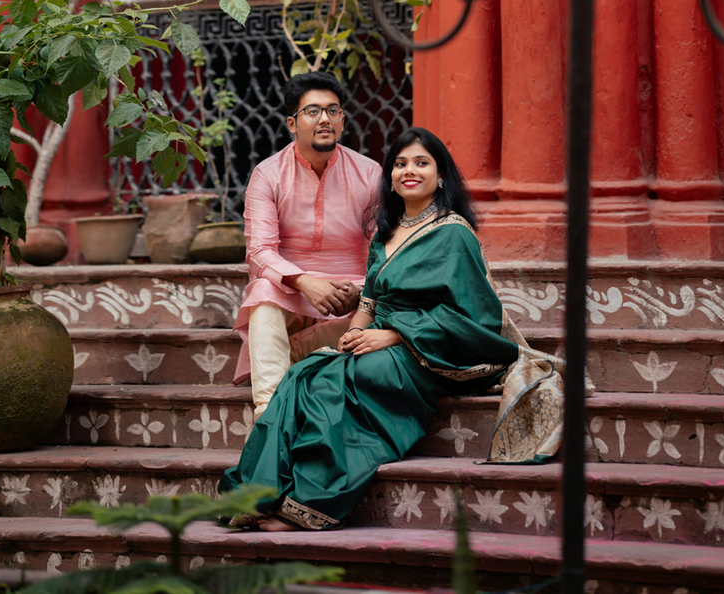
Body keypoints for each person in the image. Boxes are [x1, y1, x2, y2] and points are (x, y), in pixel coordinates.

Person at [220, 127, 565, 532]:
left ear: (441, 176)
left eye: (421, 163)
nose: (409, 171)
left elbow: (473, 317)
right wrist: (354, 334)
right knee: (304, 373)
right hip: (382, 341)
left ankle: (309, 504)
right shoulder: (386, 231)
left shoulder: (453, 233)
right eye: (400, 164)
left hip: (430, 353)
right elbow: (370, 299)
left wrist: (396, 333)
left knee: (334, 383)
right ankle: (259, 494)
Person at [233, 70, 381, 418]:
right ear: (292, 123)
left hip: (354, 294)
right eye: (313, 111)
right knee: (262, 296)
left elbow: (384, 247)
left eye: (334, 110)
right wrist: (304, 281)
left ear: (342, 120)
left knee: (393, 307)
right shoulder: (268, 174)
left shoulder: (370, 172)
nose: (325, 119)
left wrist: (361, 292)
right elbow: (259, 252)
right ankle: (269, 412)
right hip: (293, 292)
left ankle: (294, 353)